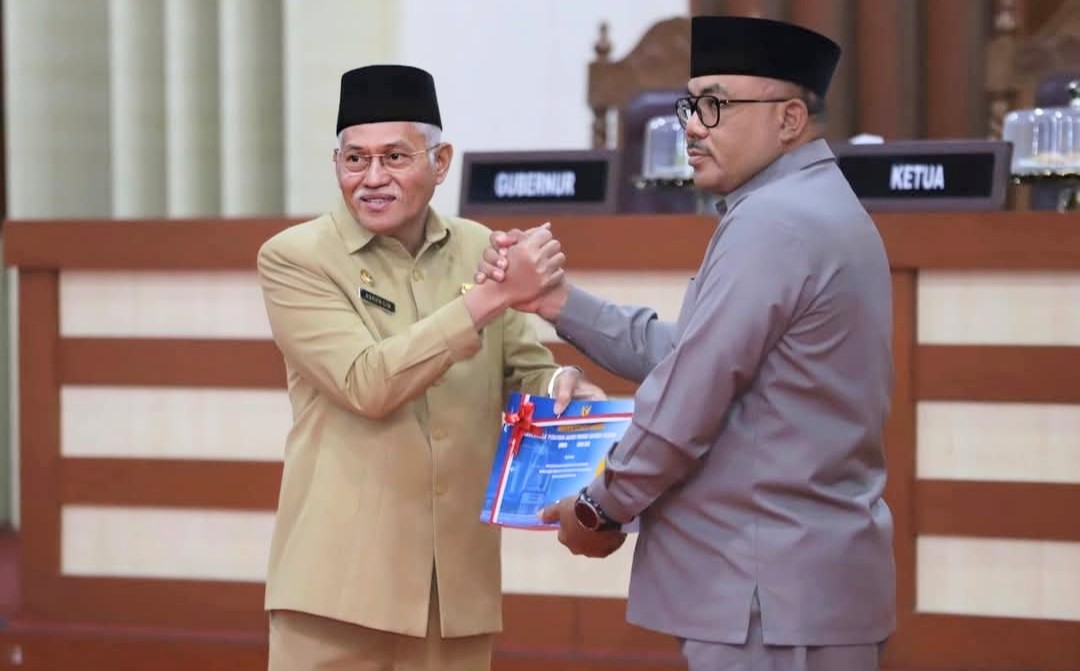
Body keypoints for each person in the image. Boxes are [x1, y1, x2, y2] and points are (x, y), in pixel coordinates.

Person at [476, 16, 896, 671]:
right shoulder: (812, 204)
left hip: (764, 594)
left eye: (716, 105)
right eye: (691, 104)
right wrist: (555, 302)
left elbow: (687, 401)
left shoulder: (774, 222)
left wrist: (598, 506)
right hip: (796, 585)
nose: (693, 126)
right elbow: (694, 355)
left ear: (789, 119)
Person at [255, 64, 602, 671]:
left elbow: (525, 369)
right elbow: (367, 382)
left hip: (455, 591)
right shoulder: (296, 258)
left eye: (394, 157)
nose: (372, 178)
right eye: (355, 160)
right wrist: (489, 297)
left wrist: (560, 387)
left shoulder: (477, 247)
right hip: (338, 591)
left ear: (440, 163)